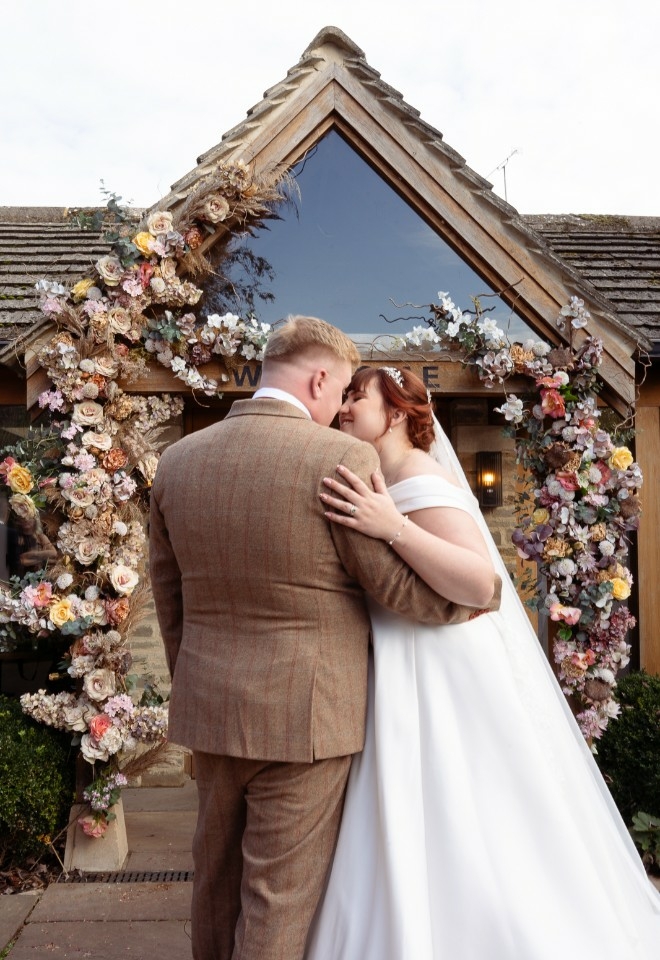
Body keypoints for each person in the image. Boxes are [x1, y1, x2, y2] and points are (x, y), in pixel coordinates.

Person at [148, 319, 501, 960]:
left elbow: (168, 596)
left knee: (216, 883)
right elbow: (388, 585)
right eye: (339, 391)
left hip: (209, 708)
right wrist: (470, 601)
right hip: (306, 718)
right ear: (318, 378)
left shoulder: (177, 460)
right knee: (276, 900)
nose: (340, 407)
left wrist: (196, 677)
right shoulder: (339, 459)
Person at [305, 365, 660, 960]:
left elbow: (480, 583)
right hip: (395, 663)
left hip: (442, 666)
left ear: (394, 413)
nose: (343, 408)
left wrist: (391, 526)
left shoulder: (421, 477)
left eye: (356, 398)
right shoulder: (380, 476)